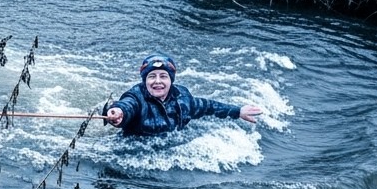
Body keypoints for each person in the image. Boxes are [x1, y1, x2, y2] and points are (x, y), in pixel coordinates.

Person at [104, 53, 261, 135]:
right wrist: (118, 112)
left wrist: (238, 111)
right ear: (145, 80)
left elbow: (207, 106)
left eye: (163, 76)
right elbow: (127, 105)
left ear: (171, 80)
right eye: (152, 76)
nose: (157, 81)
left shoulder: (183, 97)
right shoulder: (136, 96)